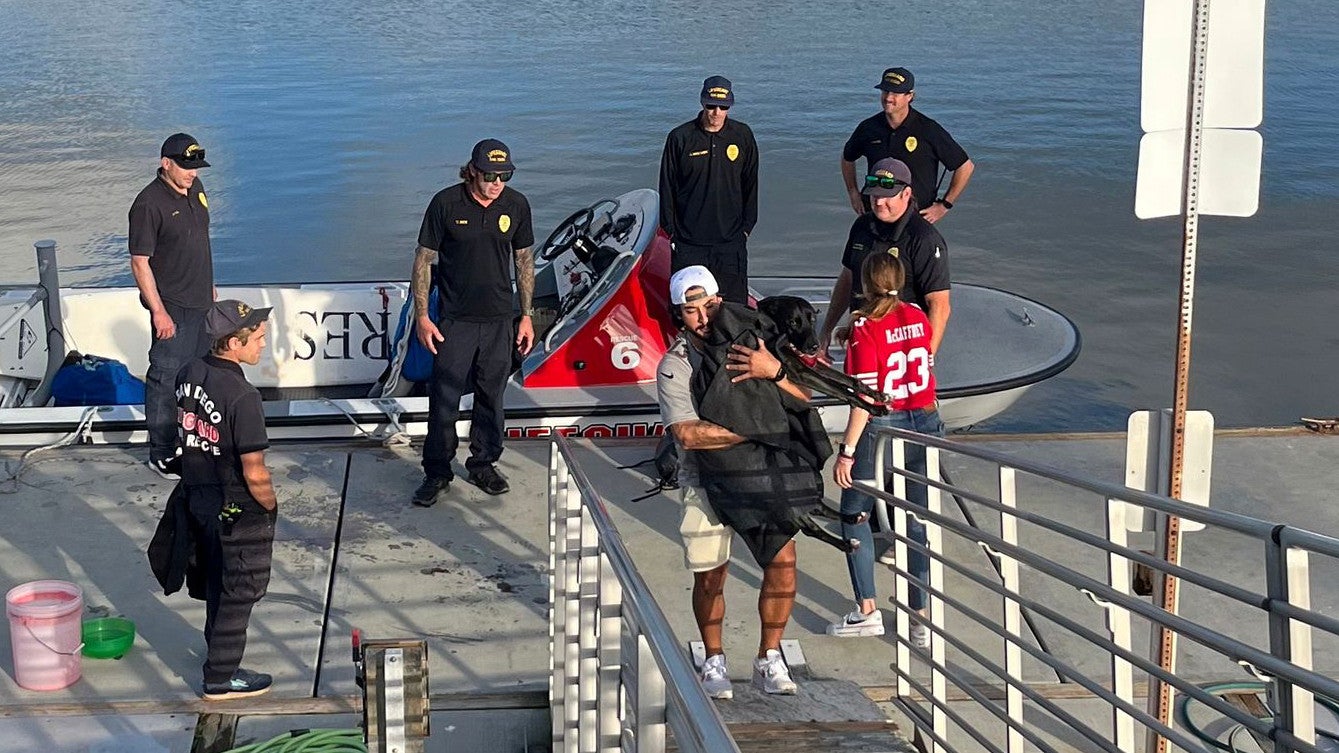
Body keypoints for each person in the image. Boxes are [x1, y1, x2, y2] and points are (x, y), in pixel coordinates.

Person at [655, 266, 811, 699]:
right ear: (678, 315)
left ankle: (769, 657)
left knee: (783, 566)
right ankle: (714, 658)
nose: (703, 317)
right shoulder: (674, 364)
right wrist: (762, 426)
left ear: (721, 301)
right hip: (705, 480)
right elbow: (687, 434)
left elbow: (804, 401)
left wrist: (773, 372)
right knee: (711, 577)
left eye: (709, 306)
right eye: (691, 310)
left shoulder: (758, 346)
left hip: (766, 473)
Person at [411, 139, 535, 505]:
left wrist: (525, 317)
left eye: (505, 175)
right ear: (473, 171)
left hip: (499, 320)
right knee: (444, 398)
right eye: (491, 175)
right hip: (455, 320)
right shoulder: (445, 203)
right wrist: (422, 316)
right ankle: (437, 471)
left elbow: (524, 261)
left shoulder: (516, 204)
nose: (497, 183)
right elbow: (423, 261)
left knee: (491, 397)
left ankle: (483, 463)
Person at [828, 253, 942, 649]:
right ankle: (920, 619)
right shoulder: (916, 315)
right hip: (925, 420)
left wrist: (846, 450)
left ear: (864, 284)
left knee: (853, 512)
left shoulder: (864, 327)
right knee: (915, 522)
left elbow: (865, 398)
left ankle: (867, 609)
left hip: (884, 423)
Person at [176, 299, 278, 699]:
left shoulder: (190, 373)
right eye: (258, 338)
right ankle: (221, 677)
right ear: (234, 343)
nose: (263, 345)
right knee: (240, 588)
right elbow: (254, 470)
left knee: (216, 578)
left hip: (197, 498)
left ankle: (214, 647)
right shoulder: (243, 396)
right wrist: (269, 507)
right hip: (235, 505)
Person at [129, 132, 216, 478]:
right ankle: (162, 452)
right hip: (173, 307)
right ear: (166, 164)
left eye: (196, 167)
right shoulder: (148, 204)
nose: (192, 173)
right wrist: (159, 311)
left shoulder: (196, 188)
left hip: (202, 302)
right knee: (165, 379)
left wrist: (210, 284)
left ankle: (194, 441)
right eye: (185, 167)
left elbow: (200, 239)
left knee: (198, 376)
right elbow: (140, 262)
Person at [818, 158, 951, 357]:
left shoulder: (924, 239)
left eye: (887, 196)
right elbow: (848, 278)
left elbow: (939, 306)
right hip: (862, 338)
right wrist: (826, 330)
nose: (879, 202)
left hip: (902, 347)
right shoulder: (861, 226)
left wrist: (926, 359)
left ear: (906, 194)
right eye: (874, 195)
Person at [658, 76, 759, 304]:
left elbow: (750, 183)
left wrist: (747, 227)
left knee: (733, 307)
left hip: (730, 240)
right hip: (689, 242)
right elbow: (667, 186)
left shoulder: (742, 136)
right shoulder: (680, 138)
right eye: (710, 105)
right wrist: (671, 231)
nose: (716, 112)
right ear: (702, 103)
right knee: (687, 308)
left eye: (723, 107)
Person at [840, 68, 974, 224]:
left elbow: (965, 166)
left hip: (915, 218)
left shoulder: (928, 129)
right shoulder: (868, 128)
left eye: (895, 94)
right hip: (875, 213)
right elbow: (847, 158)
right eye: (885, 91)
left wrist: (944, 205)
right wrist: (853, 193)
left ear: (910, 96)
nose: (888, 98)